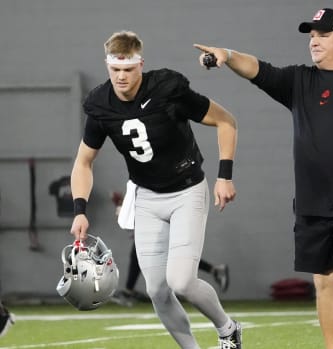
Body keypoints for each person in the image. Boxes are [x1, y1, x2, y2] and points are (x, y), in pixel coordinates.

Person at [194, 8, 333, 349]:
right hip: (313, 197)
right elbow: (258, 70)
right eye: (311, 35)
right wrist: (227, 56)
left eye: (323, 34)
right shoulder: (300, 81)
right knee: (324, 279)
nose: (314, 40)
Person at [70, 30, 241, 349]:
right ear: (107, 66)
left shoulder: (167, 88)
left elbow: (226, 121)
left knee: (182, 282)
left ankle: (228, 328)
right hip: (146, 197)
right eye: (115, 69)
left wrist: (225, 176)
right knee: (157, 292)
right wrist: (80, 210)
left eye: (128, 69)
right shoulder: (99, 103)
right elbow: (83, 162)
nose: (121, 77)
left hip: (187, 190)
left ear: (141, 65)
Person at [109, 192, 230, 307]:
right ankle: (213, 270)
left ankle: (132, 291)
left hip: (167, 215)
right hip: (163, 216)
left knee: (174, 257)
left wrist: (126, 207)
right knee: (166, 255)